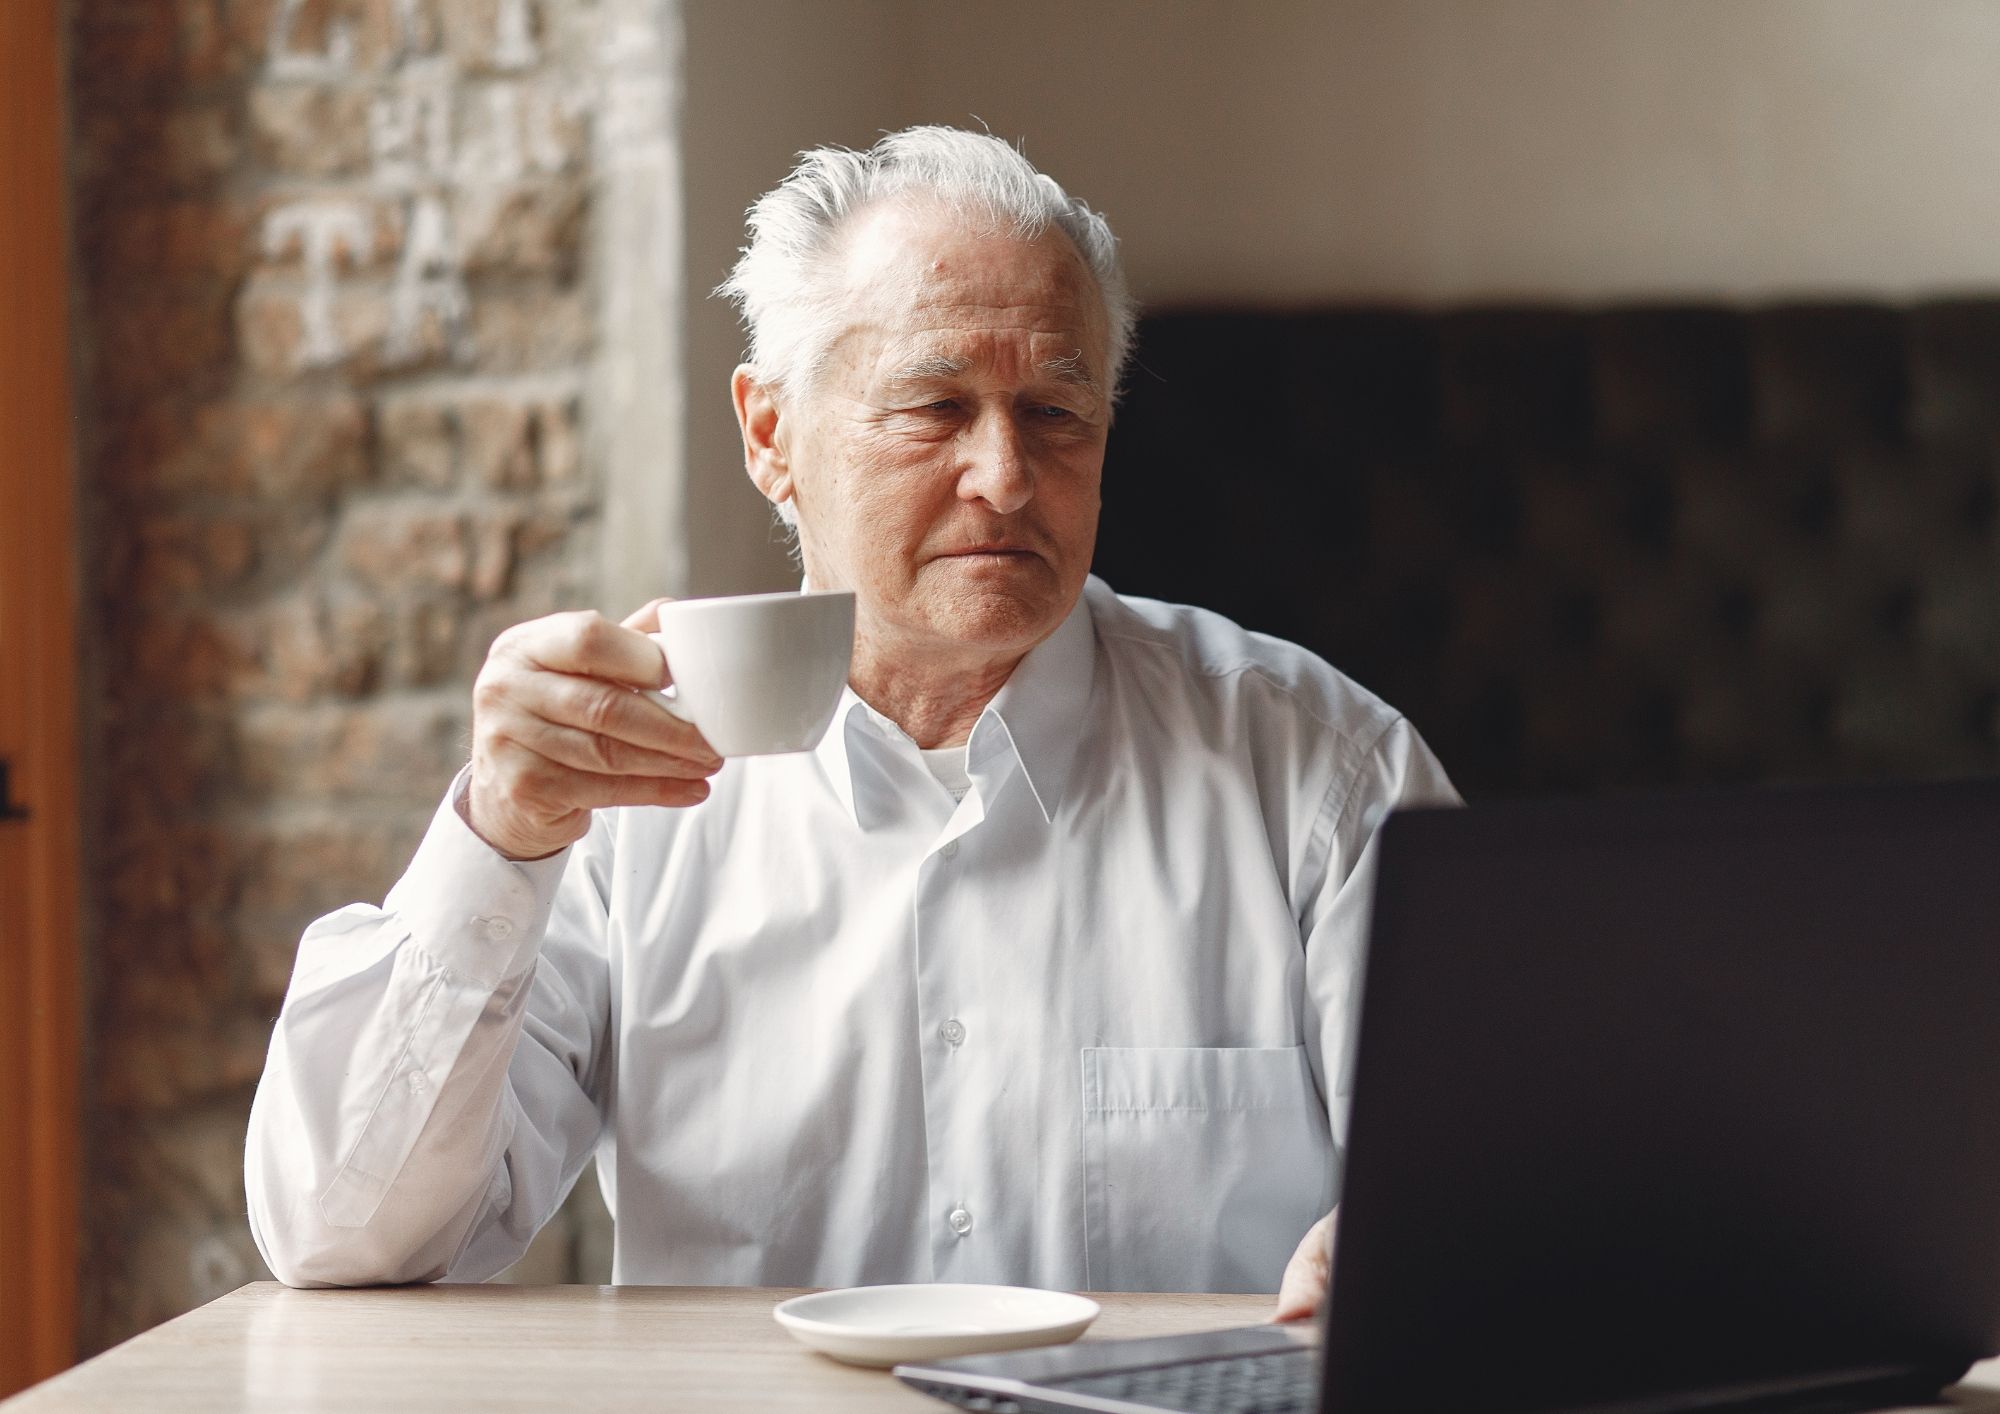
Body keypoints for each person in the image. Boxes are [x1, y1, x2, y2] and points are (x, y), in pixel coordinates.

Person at [244, 127, 1457, 1320]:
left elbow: (1503, 1185)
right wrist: (499, 840)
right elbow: (347, 1236)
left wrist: (1432, 1247)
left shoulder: (1319, 770)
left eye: (1055, 414)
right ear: (771, 435)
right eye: (935, 407)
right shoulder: (623, 789)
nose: (1006, 475)